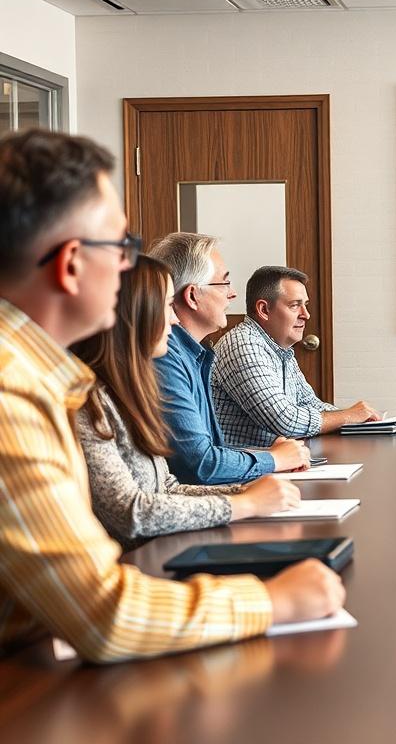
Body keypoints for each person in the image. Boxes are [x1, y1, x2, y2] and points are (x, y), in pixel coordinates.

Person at [0, 129, 343, 662]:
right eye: (120, 247)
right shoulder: (11, 393)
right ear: (70, 265)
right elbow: (104, 614)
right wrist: (271, 600)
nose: (130, 268)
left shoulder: (46, 377)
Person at [71, 255, 304, 548]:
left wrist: (243, 491)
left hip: (159, 550)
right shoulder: (89, 404)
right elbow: (131, 512)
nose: (175, 318)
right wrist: (245, 504)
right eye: (168, 305)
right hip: (136, 565)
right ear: (135, 315)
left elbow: (165, 487)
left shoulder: (128, 394)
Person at [149, 232, 310, 484]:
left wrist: (271, 454)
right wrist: (276, 459)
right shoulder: (165, 355)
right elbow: (201, 466)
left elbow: (212, 450)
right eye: (224, 283)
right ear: (192, 296)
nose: (232, 293)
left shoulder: (196, 354)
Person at [212, 265, 381, 448]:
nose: (306, 315)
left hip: (275, 462)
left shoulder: (279, 348)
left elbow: (308, 402)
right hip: (246, 471)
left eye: (305, 305)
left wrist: (360, 421)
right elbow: (284, 421)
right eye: (295, 306)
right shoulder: (243, 344)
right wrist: (348, 416)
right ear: (264, 310)